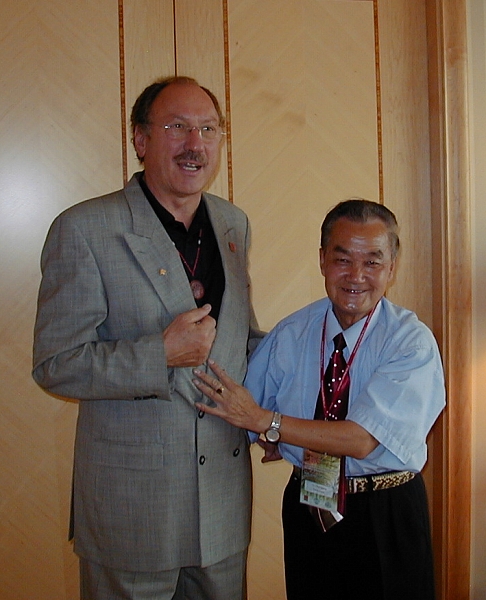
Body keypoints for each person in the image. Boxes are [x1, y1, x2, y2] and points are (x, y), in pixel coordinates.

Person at [32, 76, 263, 600]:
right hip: (133, 510)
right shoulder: (84, 228)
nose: (195, 143)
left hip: (223, 505)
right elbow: (56, 363)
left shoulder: (233, 223)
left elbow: (241, 341)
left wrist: (282, 409)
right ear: (140, 138)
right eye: (177, 126)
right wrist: (158, 355)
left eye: (208, 129)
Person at [193, 199, 446, 600]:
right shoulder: (292, 332)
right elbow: (245, 404)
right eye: (343, 260)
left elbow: (361, 439)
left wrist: (269, 424)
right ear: (323, 260)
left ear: (392, 267)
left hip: (385, 511)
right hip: (309, 503)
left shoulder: (410, 342)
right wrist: (272, 433)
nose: (356, 276)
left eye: (373, 262)